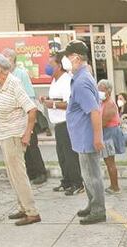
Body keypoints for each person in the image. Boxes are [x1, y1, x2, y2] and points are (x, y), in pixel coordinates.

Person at [0, 52, 41, 226]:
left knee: (19, 175)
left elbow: (32, 109)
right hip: (6, 135)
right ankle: (22, 207)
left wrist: (27, 134)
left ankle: (32, 212)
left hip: (14, 135)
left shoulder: (14, 84)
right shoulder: (1, 85)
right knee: (12, 175)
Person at [63, 40, 107, 225]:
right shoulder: (82, 77)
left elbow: (94, 111)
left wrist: (97, 138)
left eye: (67, 57)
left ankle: (98, 210)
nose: (65, 61)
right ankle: (92, 203)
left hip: (87, 137)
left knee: (92, 176)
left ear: (76, 58)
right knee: (87, 175)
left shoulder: (81, 81)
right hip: (82, 136)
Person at [2, 47, 48, 186]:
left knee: (31, 145)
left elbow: (29, 96)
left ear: (13, 61)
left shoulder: (20, 74)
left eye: (7, 59)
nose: (5, 62)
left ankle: (40, 173)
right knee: (22, 147)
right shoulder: (5, 76)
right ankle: (30, 172)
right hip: (14, 118)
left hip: (25, 116)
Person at [43, 52, 84, 196]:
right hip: (58, 124)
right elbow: (57, 98)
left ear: (59, 66)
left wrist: (52, 104)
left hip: (67, 122)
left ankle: (77, 183)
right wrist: (48, 99)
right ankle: (67, 181)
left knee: (69, 155)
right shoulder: (55, 80)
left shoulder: (67, 80)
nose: (47, 67)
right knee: (62, 155)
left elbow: (69, 103)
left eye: (50, 65)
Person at [99, 79, 126, 193]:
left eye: (102, 90)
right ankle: (113, 185)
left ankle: (115, 187)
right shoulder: (102, 102)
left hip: (109, 133)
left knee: (110, 162)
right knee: (108, 161)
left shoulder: (110, 104)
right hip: (106, 132)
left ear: (108, 91)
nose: (99, 92)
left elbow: (103, 122)